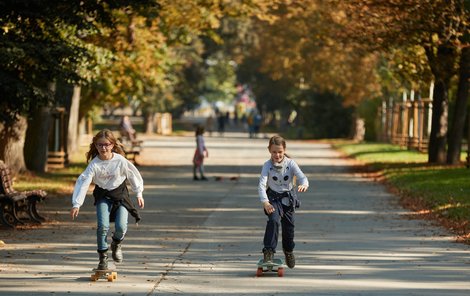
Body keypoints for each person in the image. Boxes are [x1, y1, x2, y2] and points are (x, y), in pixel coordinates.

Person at [70, 129, 144, 270]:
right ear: (95, 146)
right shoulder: (94, 164)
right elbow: (83, 182)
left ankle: (116, 243)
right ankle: (103, 258)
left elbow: (132, 175)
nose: (103, 148)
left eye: (106, 144)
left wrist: (138, 193)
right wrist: (76, 204)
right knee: (102, 227)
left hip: (120, 195)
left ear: (112, 145)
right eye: (99, 145)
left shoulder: (120, 161)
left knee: (121, 227)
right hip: (103, 196)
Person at [258, 135, 308, 268]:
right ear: (269, 150)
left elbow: (303, 178)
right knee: (273, 221)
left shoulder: (291, 163)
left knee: (288, 229)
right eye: (274, 152)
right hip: (272, 199)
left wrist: (304, 184)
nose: (277, 155)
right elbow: (262, 185)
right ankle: (268, 251)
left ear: (284, 150)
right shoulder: (267, 166)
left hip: (288, 200)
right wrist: (266, 203)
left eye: (280, 152)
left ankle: (288, 251)